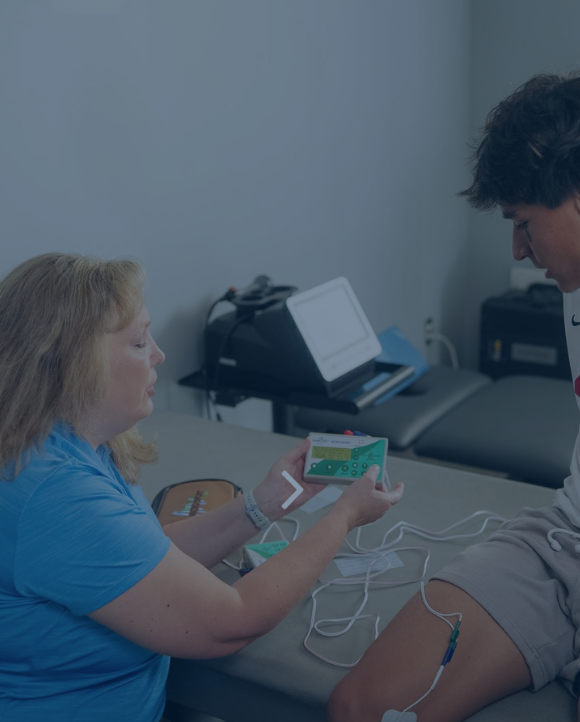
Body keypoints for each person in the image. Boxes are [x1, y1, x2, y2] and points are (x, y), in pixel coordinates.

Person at [0, 252, 404, 722]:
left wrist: (265, 503)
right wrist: (343, 517)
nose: (158, 354)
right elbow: (231, 623)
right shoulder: (56, 495)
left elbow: (146, 558)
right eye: (138, 342)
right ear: (74, 363)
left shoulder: (65, 443)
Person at [328, 71, 580, 722]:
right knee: (360, 709)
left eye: (525, 224)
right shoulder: (574, 289)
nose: (518, 250)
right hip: (568, 540)